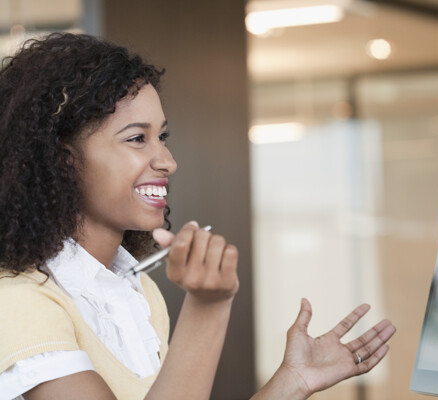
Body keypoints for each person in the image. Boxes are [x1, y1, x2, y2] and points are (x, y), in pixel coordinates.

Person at [0, 32, 396, 400]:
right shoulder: (16, 302)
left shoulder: (136, 296)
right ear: (60, 161)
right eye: (137, 138)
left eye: (163, 137)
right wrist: (208, 307)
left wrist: (292, 383)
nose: (168, 162)